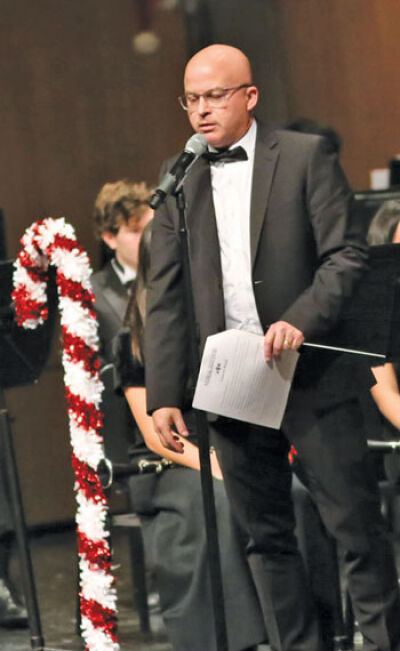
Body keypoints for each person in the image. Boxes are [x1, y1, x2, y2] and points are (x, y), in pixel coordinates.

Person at [144, 43, 400, 651]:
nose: (201, 111)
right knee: (266, 539)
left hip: (309, 374)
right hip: (231, 382)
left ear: (249, 96)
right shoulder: (179, 181)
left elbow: (347, 254)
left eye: (215, 96)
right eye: (192, 99)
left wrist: (300, 319)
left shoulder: (305, 157)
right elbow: (166, 296)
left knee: (356, 531)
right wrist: (163, 395)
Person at [113, 221, 266, 651]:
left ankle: (302, 623)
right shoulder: (134, 341)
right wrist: (215, 464)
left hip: (225, 450)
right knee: (219, 498)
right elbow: (157, 434)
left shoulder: (214, 323)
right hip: (168, 464)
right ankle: (232, 641)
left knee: (292, 493)